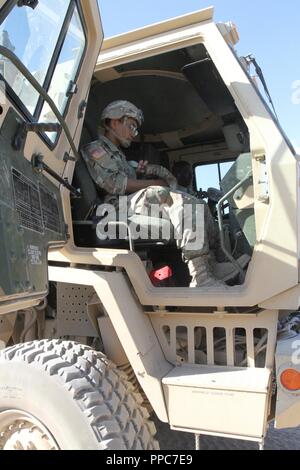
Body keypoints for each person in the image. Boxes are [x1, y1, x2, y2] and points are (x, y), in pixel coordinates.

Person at [81, 100, 240, 288]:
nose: (133, 134)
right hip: (116, 207)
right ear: (114, 122)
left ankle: (215, 262)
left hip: (131, 202)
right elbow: (114, 184)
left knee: (198, 204)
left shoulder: (119, 156)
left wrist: (149, 171)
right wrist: (154, 183)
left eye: (135, 129)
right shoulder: (96, 149)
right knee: (176, 199)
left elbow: (140, 180)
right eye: (131, 126)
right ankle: (202, 276)